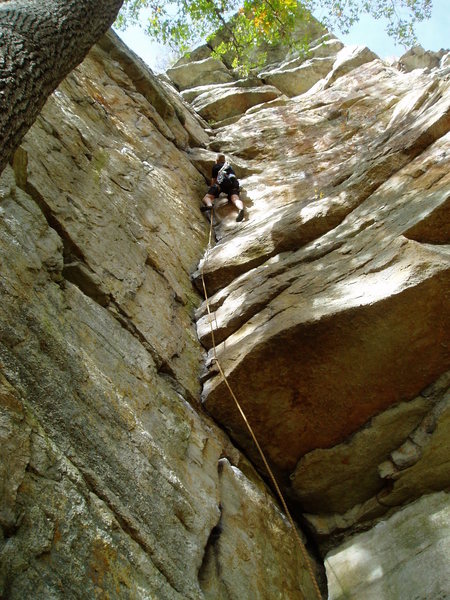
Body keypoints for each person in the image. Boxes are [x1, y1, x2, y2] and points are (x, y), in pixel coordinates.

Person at [201, 154, 245, 222]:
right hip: (233, 184)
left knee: (207, 197)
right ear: (224, 161)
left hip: (222, 185)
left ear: (216, 160)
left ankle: (209, 205)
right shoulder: (229, 167)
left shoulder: (216, 166)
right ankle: (241, 208)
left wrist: (212, 191)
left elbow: (213, 182)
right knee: (235, 198)